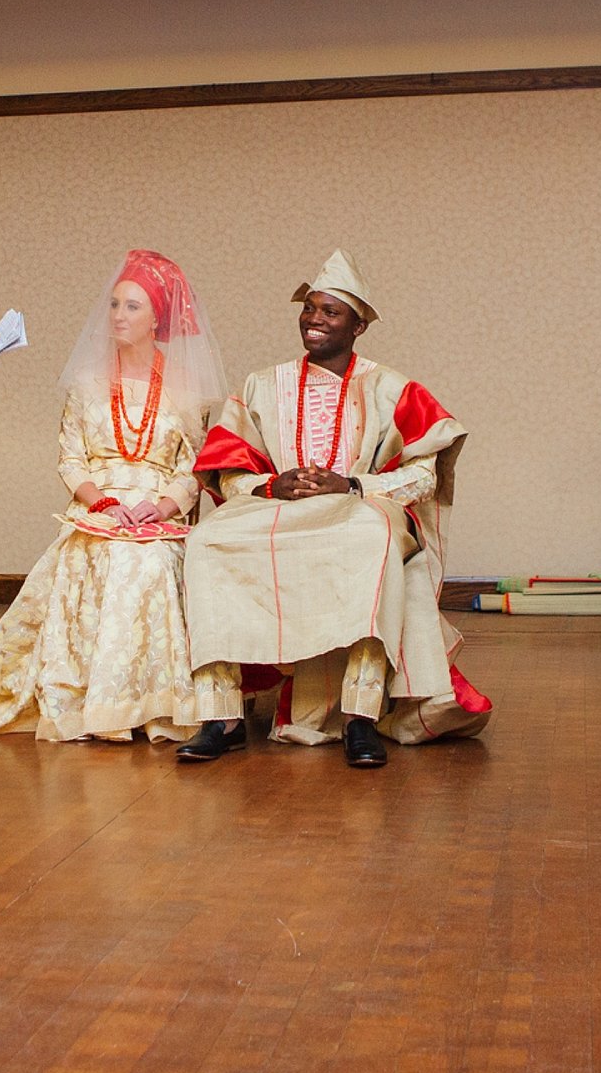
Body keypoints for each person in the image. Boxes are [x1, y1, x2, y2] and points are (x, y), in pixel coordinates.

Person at [175, 251, 485, 769]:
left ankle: (359, 716)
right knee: (207, 541)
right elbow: (228, 474)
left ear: (359, 326)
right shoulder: (259, 384)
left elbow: (424, 476)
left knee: (372, 537)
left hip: (359, 507)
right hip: (279, 505)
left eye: (330, 312)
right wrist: (274, 484)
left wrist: (353, 484)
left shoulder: (393, 387)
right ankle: (220, 717)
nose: (314, 319)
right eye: (309, 309)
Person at [0, 252, 224, 742]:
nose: (118, 315)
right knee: (96, 556)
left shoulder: (186, 387)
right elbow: (70, 458)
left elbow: (195, 468)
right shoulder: (87, 381)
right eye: (115, 304)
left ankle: (145, 701)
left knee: (152, 564)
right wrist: (101, 503)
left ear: (157, 317)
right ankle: (83, 698)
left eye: (133, 306)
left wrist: (159, 508)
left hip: (157, 510)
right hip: (97, 507)